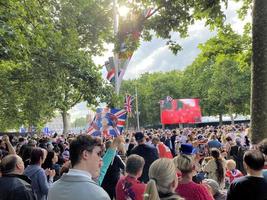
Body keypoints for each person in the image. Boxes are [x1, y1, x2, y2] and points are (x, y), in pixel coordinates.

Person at [48, 135, 110, 200]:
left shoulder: (52, 188)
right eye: (98, 154)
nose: (101, 163)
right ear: (85, 154)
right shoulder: (100, 195)